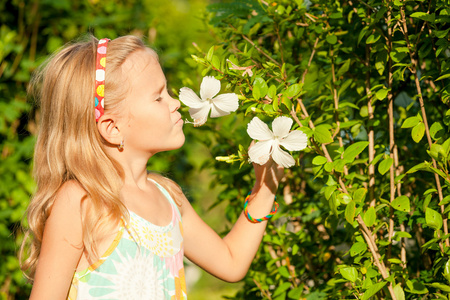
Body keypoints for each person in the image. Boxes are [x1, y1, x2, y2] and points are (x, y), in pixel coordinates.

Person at [20, 35, 284, 299]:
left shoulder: (170, 198)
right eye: (158, 98)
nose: (175, 103)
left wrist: (266, 187)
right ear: (113, 128)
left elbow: (231, 262)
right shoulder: (82, 201)